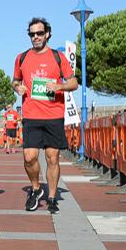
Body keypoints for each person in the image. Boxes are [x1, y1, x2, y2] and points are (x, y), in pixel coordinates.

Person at [13, 17, 78, 214]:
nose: (36, 37)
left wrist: (59, 86)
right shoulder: (22, 57)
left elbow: (73, 83)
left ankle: (51, 197)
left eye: (39, 33)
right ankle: (35, 189)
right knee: (29, 157)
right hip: (31, 114)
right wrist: (18, 87)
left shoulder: (58, 57)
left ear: (47, 34)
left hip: (53, 115)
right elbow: (14, 81)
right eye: (32, 34)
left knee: (52, 157)